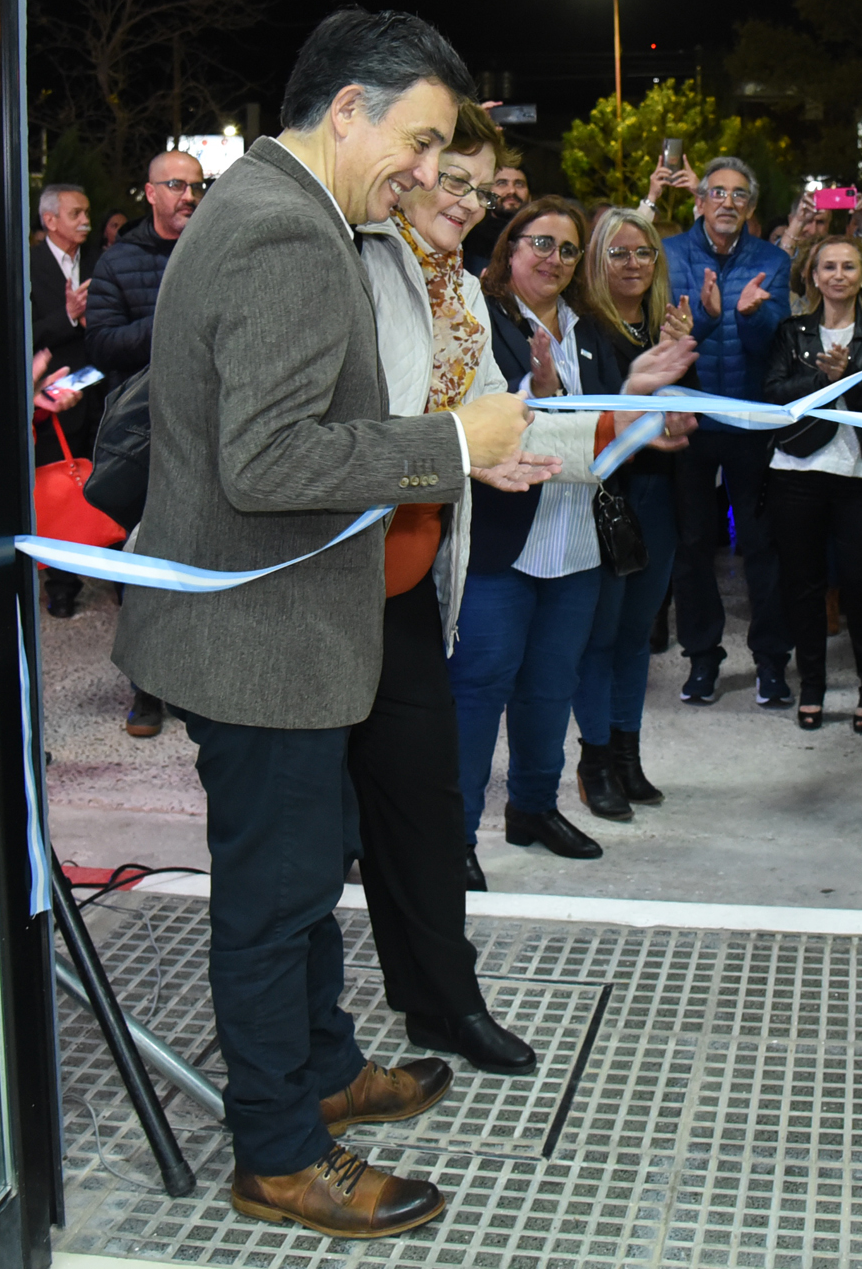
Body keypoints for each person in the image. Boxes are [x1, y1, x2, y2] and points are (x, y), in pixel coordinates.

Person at [112, 8, 534, 1238]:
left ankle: (324, 1071)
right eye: (416, 139)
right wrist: (456, 443)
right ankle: (281, 1154)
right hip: (264, 643)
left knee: (298, 887)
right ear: (347, 107)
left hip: (277, 631)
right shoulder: (286, 235)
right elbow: (269, 459)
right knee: (274, 900)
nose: (421, 170)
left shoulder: (275, 210)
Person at [354, 100, 555, 1078]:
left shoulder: (464, 298)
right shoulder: (351, 266)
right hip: (318, 586)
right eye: (454, 182)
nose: (471, 205)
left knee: (427, 808)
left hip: (410, 583)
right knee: (314, 836)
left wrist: (491, 461)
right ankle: (309, 1053)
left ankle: (441, 1003)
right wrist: (456, 454)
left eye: (484, 189)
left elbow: (464, 429)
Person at [453, 198, 697, 869]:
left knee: (551, 687)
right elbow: (486, 424)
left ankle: (533, 808)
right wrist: (541, 392)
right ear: (510, 250)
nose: (554, 258)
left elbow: (611, 428)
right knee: (479, 691)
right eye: (541, 243)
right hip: (506, 541)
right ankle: (457, 837)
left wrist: (655, 422)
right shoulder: (480, 318)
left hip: (577, 542)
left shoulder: (591, 329)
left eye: (567, 248)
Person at [568, 208, 698, 819]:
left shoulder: (657, 330)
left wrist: (677, 359)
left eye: (643, 253)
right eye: (618, 253)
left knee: (635, 642)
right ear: (596, 260)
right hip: (605, 500)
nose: (633, 264)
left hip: (658, 499)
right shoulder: (585, 329)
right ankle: (595, 763)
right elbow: (591, 422)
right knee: (600, 639)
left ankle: (627, 755)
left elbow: (675, 414)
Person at [660, 157, 795, 706]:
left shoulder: (773, 260)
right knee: (693, 546)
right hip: (690, 421)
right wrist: (712, 319)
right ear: (699, 201)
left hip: (750, 420)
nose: (727, 203)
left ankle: (770, 661)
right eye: (717, 192)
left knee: (763, 546)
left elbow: (777, 343)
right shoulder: (669, 256)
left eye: (740, 196)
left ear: (750, 208)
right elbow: (666, 341)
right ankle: (702, 657)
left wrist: (750, 316)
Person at [763, 234, 862, 730]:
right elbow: (776, 397)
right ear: (813, 276)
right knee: (802, 588)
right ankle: (812, 687)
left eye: (849, 266)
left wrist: (852, 375)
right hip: (797, 474)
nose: (839, 274)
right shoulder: (791, 332)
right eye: (828, 266)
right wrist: (822, 382)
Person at [88, 146, 210, 736]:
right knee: (142, 561)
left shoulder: (214, 248)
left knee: (198, 555)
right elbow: (104, 344)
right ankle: (144, 689)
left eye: (196, 185)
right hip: (147, 437)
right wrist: (173, 318)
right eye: (178, 185)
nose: (189, 195)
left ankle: (188, 678)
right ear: (151, 192)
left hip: (208, 431)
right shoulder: (120, 261)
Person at [30, 180, 100, 620]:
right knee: (59, 491)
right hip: (51, 398)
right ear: (49, 220)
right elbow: (25, 334)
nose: (85, 220)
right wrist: (70, 317)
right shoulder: (27, 264)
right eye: (75, 213)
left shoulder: (100, 261)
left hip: (98, 393)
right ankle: (61, 587)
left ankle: (116, 573)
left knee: (101, 487)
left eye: (87, 211)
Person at [460, 148, 529, 269]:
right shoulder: (468, 234)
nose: (511, 191)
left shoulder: (537, 239)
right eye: (502, 183)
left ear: (530, 195)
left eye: (519, 184)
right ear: (487, 192)